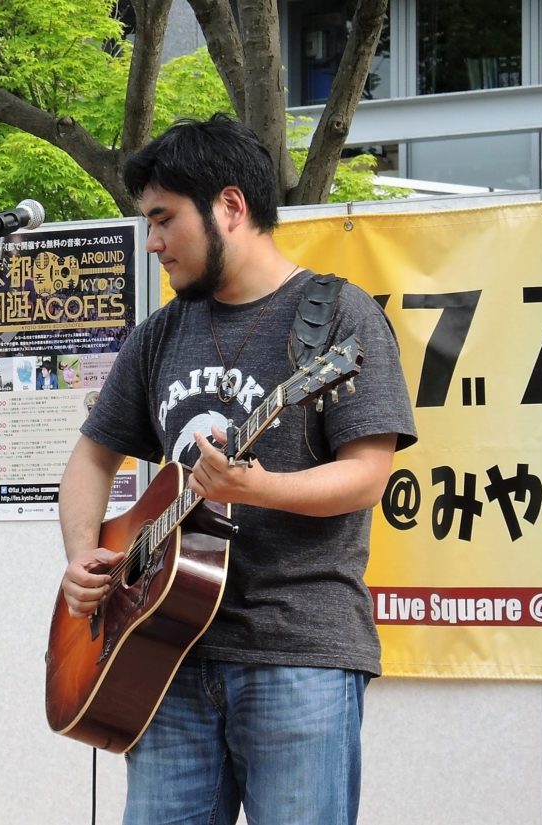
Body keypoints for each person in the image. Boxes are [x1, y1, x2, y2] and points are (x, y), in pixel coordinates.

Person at [58, 114, 417, 824]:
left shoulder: (336, 318)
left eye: (164, 219)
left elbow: (368, 474)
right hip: (160, 656)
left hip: (299, 649)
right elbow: (90, 458)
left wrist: (259, 487)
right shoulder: (160, 333)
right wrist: (83, 556)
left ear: (229, 206)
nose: (153, 242)